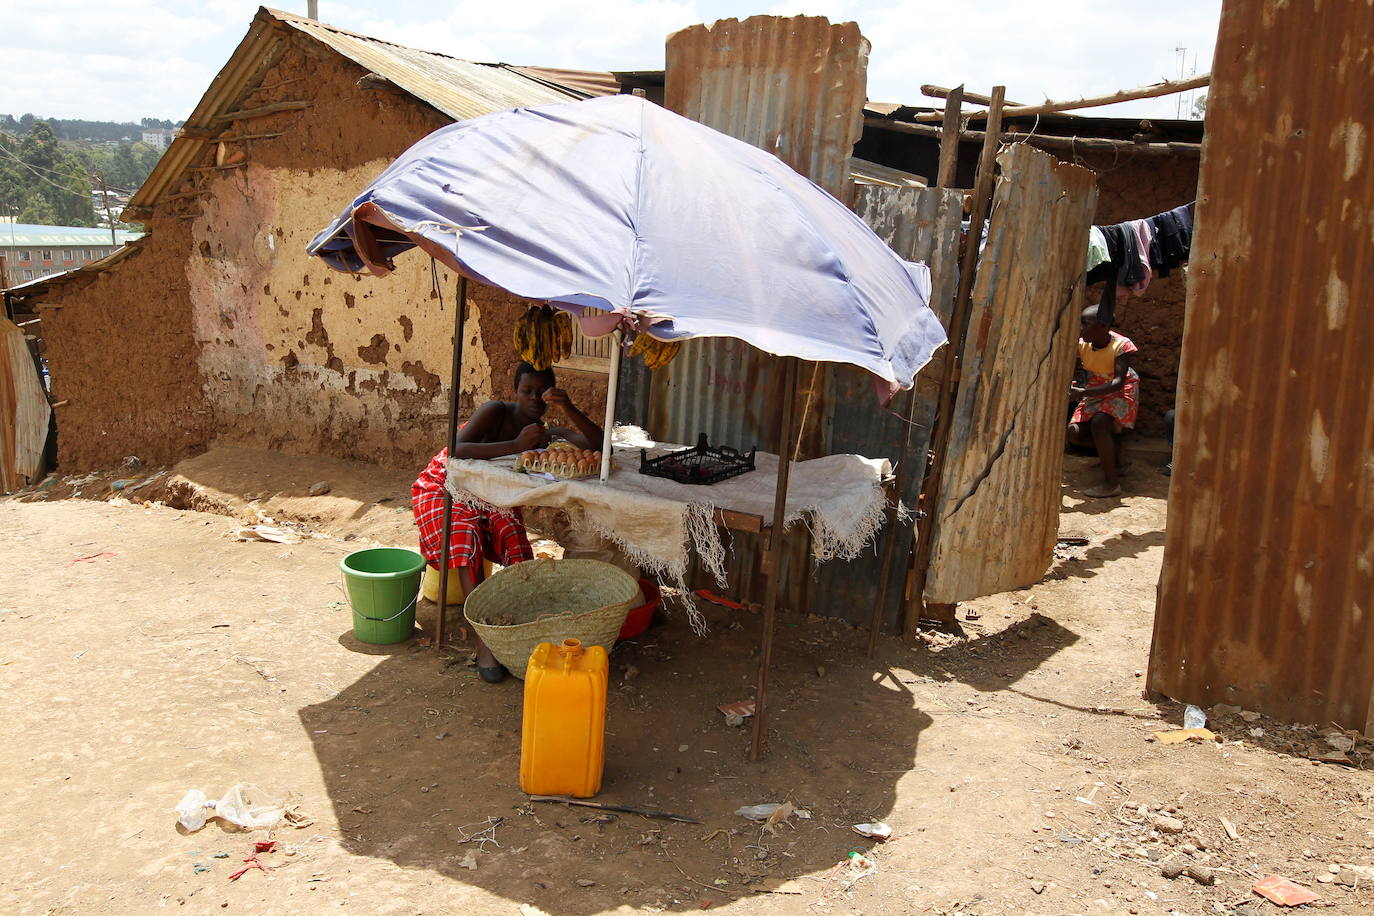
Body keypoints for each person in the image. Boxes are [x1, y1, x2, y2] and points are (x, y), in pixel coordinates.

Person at [412, 360, 604, 682]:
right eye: (526, 391)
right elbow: (454, 450)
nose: (532, 398)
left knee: (514, 538)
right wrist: (515, 446)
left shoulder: (545, 434)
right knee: (464, 534)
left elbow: (597, 446)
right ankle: (482, 638)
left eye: (541, 393)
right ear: (515, 392)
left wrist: (568, 406)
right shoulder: (495, 412)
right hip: (444, 486)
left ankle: (518, 625)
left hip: (489, 495)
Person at [1066, 305, 1139, 498]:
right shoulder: (1082, 344)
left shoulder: (1121, 345)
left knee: (1099, 423)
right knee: (1074, 434)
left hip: (1120, 389)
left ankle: (1111, 483)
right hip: (1094, 386)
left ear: (1103, 327)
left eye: (1086, 324)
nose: (1081, 329)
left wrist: (1083, 392)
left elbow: (1118, 383)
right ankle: (1115, 455)